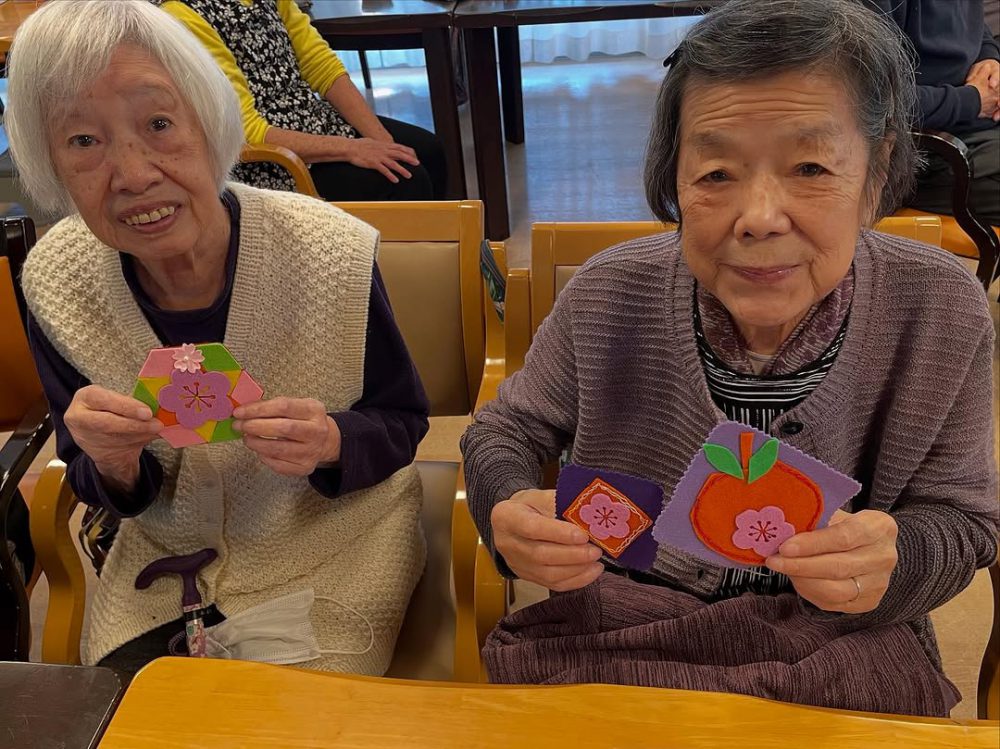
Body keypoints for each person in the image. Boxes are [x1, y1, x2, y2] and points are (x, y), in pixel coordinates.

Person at [461, 0, 998, 717]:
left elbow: (965, 518)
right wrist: (508, 506)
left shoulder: (939, 309)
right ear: (673, 179)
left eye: (810, 166)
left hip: (840, 646)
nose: (760, 217)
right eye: (716, 174)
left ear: (876, 175)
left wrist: (895, 559)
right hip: (617, 634)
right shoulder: (608, 292)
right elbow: (503, 432)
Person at [6, 0, 429, 677]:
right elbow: (91, 471)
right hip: (164, 570)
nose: (134, 175)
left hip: (334, 546)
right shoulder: (60, 281)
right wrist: (112, 463)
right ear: (49, 162)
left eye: (159, 124)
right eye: (83, 141)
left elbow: (402, 421)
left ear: (211, 121)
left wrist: (330, 440)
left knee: (293, 718)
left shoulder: (328, 252)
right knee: (133, 713)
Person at [155, 0, 448, 201]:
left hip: (313, 121)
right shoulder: (181, 12)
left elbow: (320, 64)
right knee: (406, 180)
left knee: (427, 151)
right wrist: (352, 148)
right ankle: (383, 270)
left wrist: (381, 141)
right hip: (268, 161)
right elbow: (245, 131)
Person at [866, 0, 1000, 224]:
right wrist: (973, 101)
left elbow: (976, 27)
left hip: (978, 126)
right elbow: (875, 100)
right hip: (928, 153)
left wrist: (990, 60)